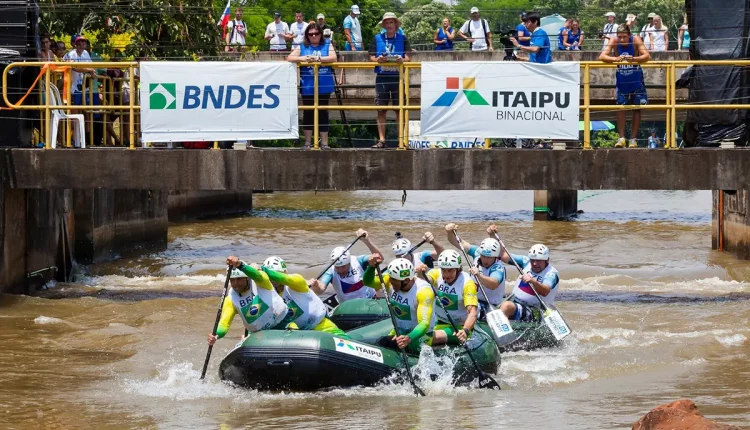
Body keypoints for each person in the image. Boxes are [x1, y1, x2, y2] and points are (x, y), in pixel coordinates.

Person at [206, 256, 289, 346]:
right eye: (232, 280)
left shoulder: (260, 281)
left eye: (239, 279)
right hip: (259, 334)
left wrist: (240, 265)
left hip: (283, 323)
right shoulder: (230, 299)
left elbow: (257, 274)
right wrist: (216, 334)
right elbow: (224, 324)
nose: (235, 284)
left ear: (247, 278)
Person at [260, 256, 348, 336]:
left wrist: (263, 270)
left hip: (320, 325)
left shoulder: (297, 281)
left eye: (274, 275)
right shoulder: (269, 294)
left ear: (284, 272)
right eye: (268, 277)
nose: (271, 279)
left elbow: (284, 278)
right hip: (300, 334)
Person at [363, 257, 436, 353]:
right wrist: (371, 267)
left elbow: (424, 323)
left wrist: (409, 338)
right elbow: (368, 282)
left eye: (394, 279)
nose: (390, 281)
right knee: (382, 343)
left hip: (419, 336)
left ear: (406, 280)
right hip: (399, 330)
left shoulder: (423, 292)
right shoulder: (390, 281)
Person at [600, 24, 650, 148]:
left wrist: (633, 59)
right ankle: (621, 138)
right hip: (622, 80)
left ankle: (633, 138)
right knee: (620, 108)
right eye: (620, 37)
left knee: (637, 108)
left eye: (624, 37)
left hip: (636, 80)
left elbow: (647, 56)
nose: (622, 40)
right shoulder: (614, 41)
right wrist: (616, 59)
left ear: (629, 35)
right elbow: (602, 56)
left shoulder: (636, 39)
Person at [287, 23, 336, 150]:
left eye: (316, 33)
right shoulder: (303, 46)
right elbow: (289, 57)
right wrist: (303, 58)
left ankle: (324, 143)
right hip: (308, 85)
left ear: (320, 34)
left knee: (323, 112)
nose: (314, 36)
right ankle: (308, 143)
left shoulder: (327, 44)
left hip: (324, 85)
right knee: (308, 113)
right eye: (310, 34)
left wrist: (318, 59)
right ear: (307, 36)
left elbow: (334, 57)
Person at [416, 249, 478, 346]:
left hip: (458, 328)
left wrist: (465, 330)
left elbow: (473, 312)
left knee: (426, 339)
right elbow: (425, 281)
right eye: (443, 270)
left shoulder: (467, 283)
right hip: (438, 323)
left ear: (458, 269)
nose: (446, 275)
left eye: (450, 270)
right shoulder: (437, 273)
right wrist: (420, 273)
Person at [369, 12, 410, 149]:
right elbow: (371, 57)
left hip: (398, 77)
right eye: (387, 23)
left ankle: (401, 140)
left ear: (396, 25)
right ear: (384, 25)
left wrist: (401, 60)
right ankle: (382, 140)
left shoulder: (403, 38)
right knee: (381, 110)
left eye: (391, 22)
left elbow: (408, 58)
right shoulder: (377, 38)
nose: (389, 25)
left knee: (400, 110)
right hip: (382, 77)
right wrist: (378, 60)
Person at [444, 223, 506, 313]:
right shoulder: (477, 253)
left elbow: (493, 284)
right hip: (472, 298)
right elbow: (458, 242)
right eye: (483, 256)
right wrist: (449, 232)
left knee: (459, 305)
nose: (485, 260)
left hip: (488, 305)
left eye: (488, 257)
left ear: (495, 256)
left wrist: (478, 275)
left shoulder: (497, 267)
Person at [309, 229, 382, 302]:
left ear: (349, 262)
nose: (340, 270)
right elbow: (320, 290)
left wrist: (367, 241)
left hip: (370, 300)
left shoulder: (359, 261)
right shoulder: (330, 271)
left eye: (343, 266)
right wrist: (316, 286)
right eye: (337, 267)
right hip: (348, 307)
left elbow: (380, 258)